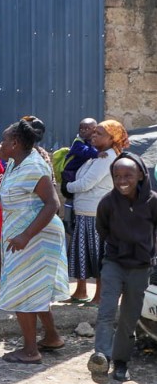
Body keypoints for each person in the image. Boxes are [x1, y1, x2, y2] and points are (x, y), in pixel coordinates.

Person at [0, 117, 69, 364]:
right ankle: (52, 337)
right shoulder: (16, 161)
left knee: (23, 288)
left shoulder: (34, 167)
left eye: (6, 139)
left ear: (16, 143)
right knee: (35, 287)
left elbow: (53, 204)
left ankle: (30, 351)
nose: (2, 143)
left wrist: (26, 236)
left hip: (35, 236)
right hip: (22, 234)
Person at [89, 153, 157, 382]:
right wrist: (120, 246)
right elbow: (103, 229)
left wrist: (147, 251)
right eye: (117, 176)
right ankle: (101, 357)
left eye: (128, 175)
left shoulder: (153, 201)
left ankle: (121, 362)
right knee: (106, 310)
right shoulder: (107, 202)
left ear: (140, 175)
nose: (121, 180)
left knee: (129, 316)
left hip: (140, 266)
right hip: (114, 262)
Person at [65, 121, 127, 305]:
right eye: (94, 133)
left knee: (98, 254)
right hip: (86, 212)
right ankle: (81, 290)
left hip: (96, 214)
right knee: (82, 253)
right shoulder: (95, 155)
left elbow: (85, 183)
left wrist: (66, 186)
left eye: (99, 133)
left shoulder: (107, 157)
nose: (93, 136)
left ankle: (100, 295)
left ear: (112, 138)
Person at [60, 118, 99, 199]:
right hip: (69, 178)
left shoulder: (89, 142)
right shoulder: (78, 143)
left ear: (95, 130)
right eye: (81, 129)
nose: (83, 131)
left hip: (77, 177)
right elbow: (88, 153)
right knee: (72, 202)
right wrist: (99, 151)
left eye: (87, 129)